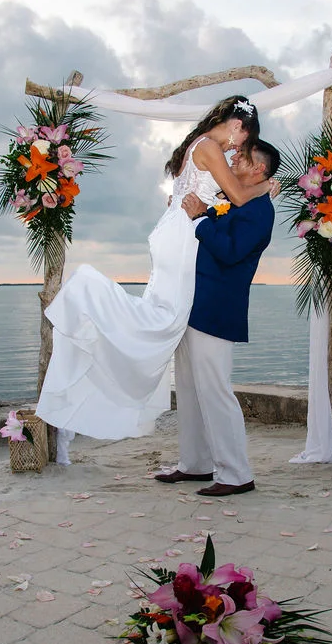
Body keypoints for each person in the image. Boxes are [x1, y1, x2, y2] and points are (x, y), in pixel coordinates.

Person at [36, 95, 274, 440]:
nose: (236, 149)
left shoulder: (197, 143)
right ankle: (89, 293)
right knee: (165, 319)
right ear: (237, 125)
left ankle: (99, 314)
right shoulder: (210, 147)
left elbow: (207, 195)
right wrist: (265, 186)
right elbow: (237, 196)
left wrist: (201, 206)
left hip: (173, 231)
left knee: (163, 314)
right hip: (182, 235)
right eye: (242, 140)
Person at [153, 139, 280, 496]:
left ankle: (236, 474)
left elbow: (230, 251)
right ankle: (196, 463)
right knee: (189, 389)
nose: (234, 157)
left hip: (217, 308)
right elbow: (215, 226)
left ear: (259, 169)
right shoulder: (235, 202)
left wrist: (198, 218)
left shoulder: (260, 210)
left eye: (243, 156)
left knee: (215, 391)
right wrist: (192, 212)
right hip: (192, 303)